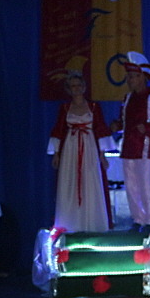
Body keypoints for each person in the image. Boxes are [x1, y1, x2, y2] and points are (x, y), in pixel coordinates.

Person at [110, 51, 150, 233]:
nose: (129, 80)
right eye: (128, 76)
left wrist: (147, 128)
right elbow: (124, 123)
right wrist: (117, 126)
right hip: (128, 147)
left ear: (142, 77)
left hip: (147, 147)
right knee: (131, 186)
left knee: (147, 185)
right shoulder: (127, 99)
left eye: (132, 76)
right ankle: (138, 218)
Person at [47, 73, 113, 232]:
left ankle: (92, 223)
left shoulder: (94, 107)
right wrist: (56, 153)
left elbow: (100, 128)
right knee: (70, 180)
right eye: (73, 86)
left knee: (90, 180)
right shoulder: (64, 108)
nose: (76, 89)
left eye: (79, 85)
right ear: (68, 89)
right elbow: (59, 129)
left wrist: (102, 154)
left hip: (89, 147)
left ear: (83, 87)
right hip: (70, 148)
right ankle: (69, 223)